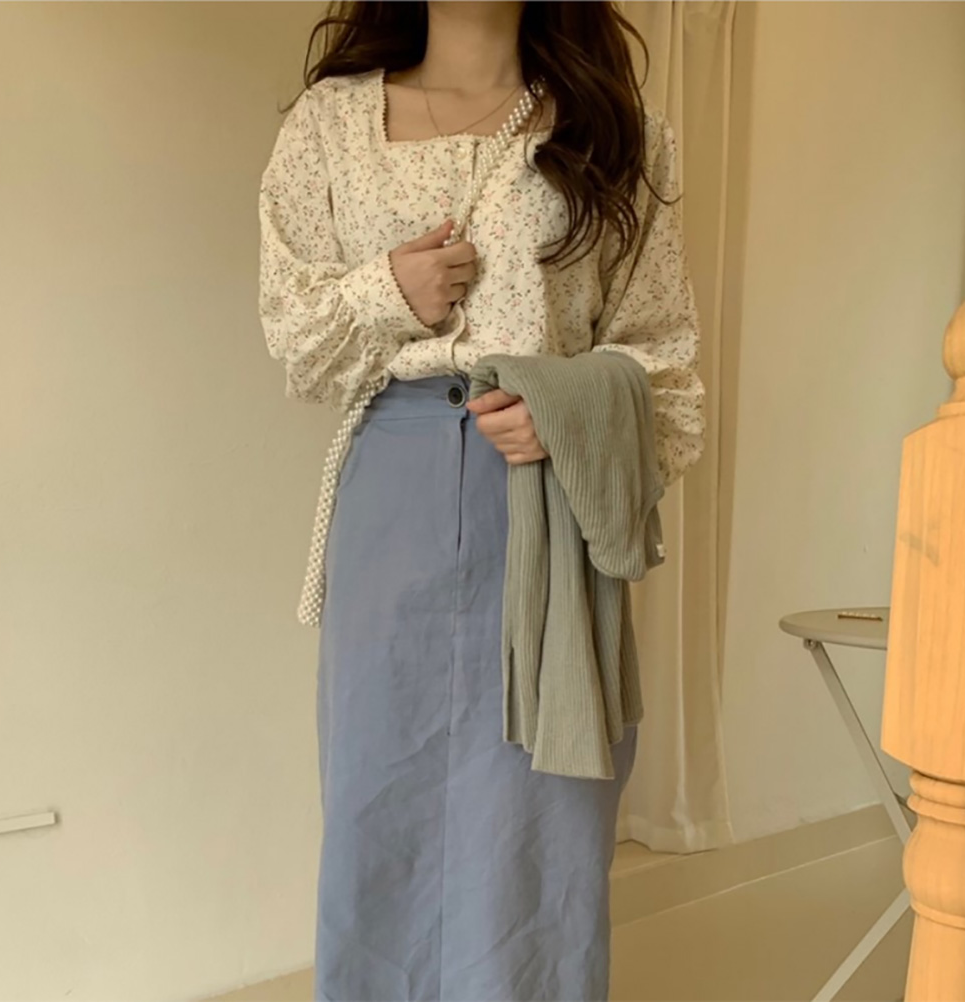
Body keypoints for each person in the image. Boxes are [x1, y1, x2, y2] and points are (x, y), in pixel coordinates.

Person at [257, 2, 705, 999]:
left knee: (543, 814)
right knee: (380, 797)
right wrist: (389, 291)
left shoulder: (618, 130)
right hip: (394, 492)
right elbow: (296, 337)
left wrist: (568, 412)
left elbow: (666, 360)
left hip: (545, 497)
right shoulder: (330, 125)